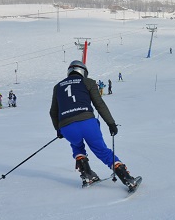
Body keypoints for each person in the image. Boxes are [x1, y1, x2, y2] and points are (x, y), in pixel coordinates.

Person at [50, 60, 139, 189]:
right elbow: (99, 104)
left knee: (77, 146)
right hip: (87, 123)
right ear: (83, 71)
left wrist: (59, 129)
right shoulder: (88, 82)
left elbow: (53, 111)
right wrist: (111, 123)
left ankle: (87, 174)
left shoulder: (58, 87)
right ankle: (126, 178)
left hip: (67, 127)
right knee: (102, 151)